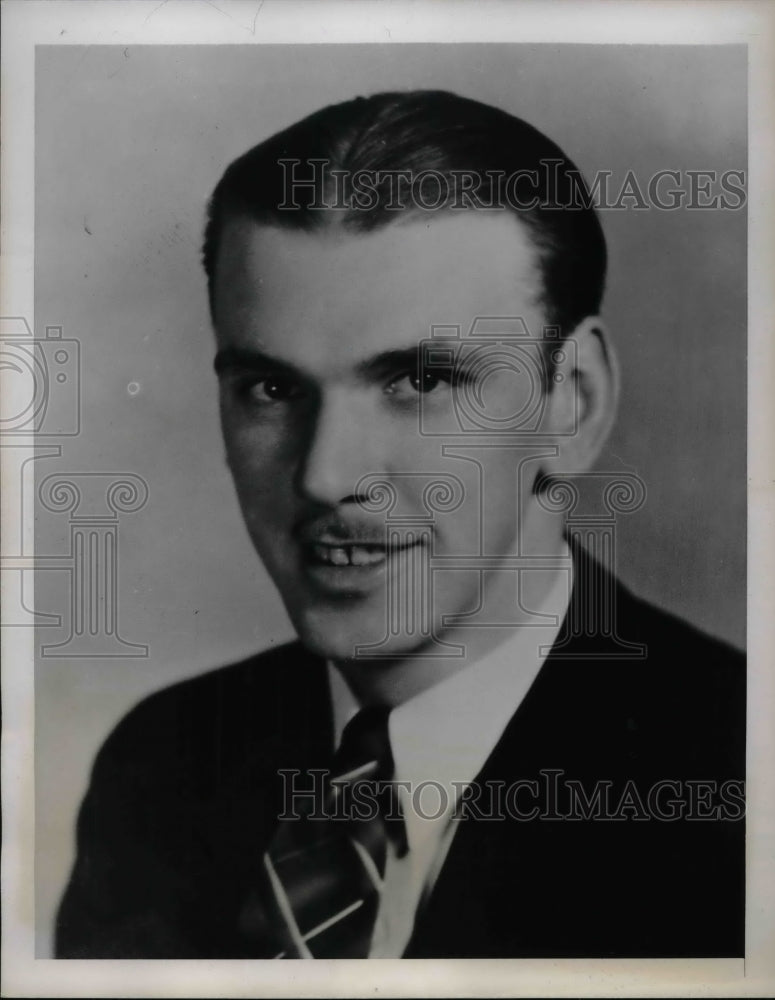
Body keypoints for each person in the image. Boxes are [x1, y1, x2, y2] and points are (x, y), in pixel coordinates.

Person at [55, 90, 745, 959]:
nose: (325, 476)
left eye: (418, 382)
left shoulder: (737, 783)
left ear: (572, 404)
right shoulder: (161, 766)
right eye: (271, 390)